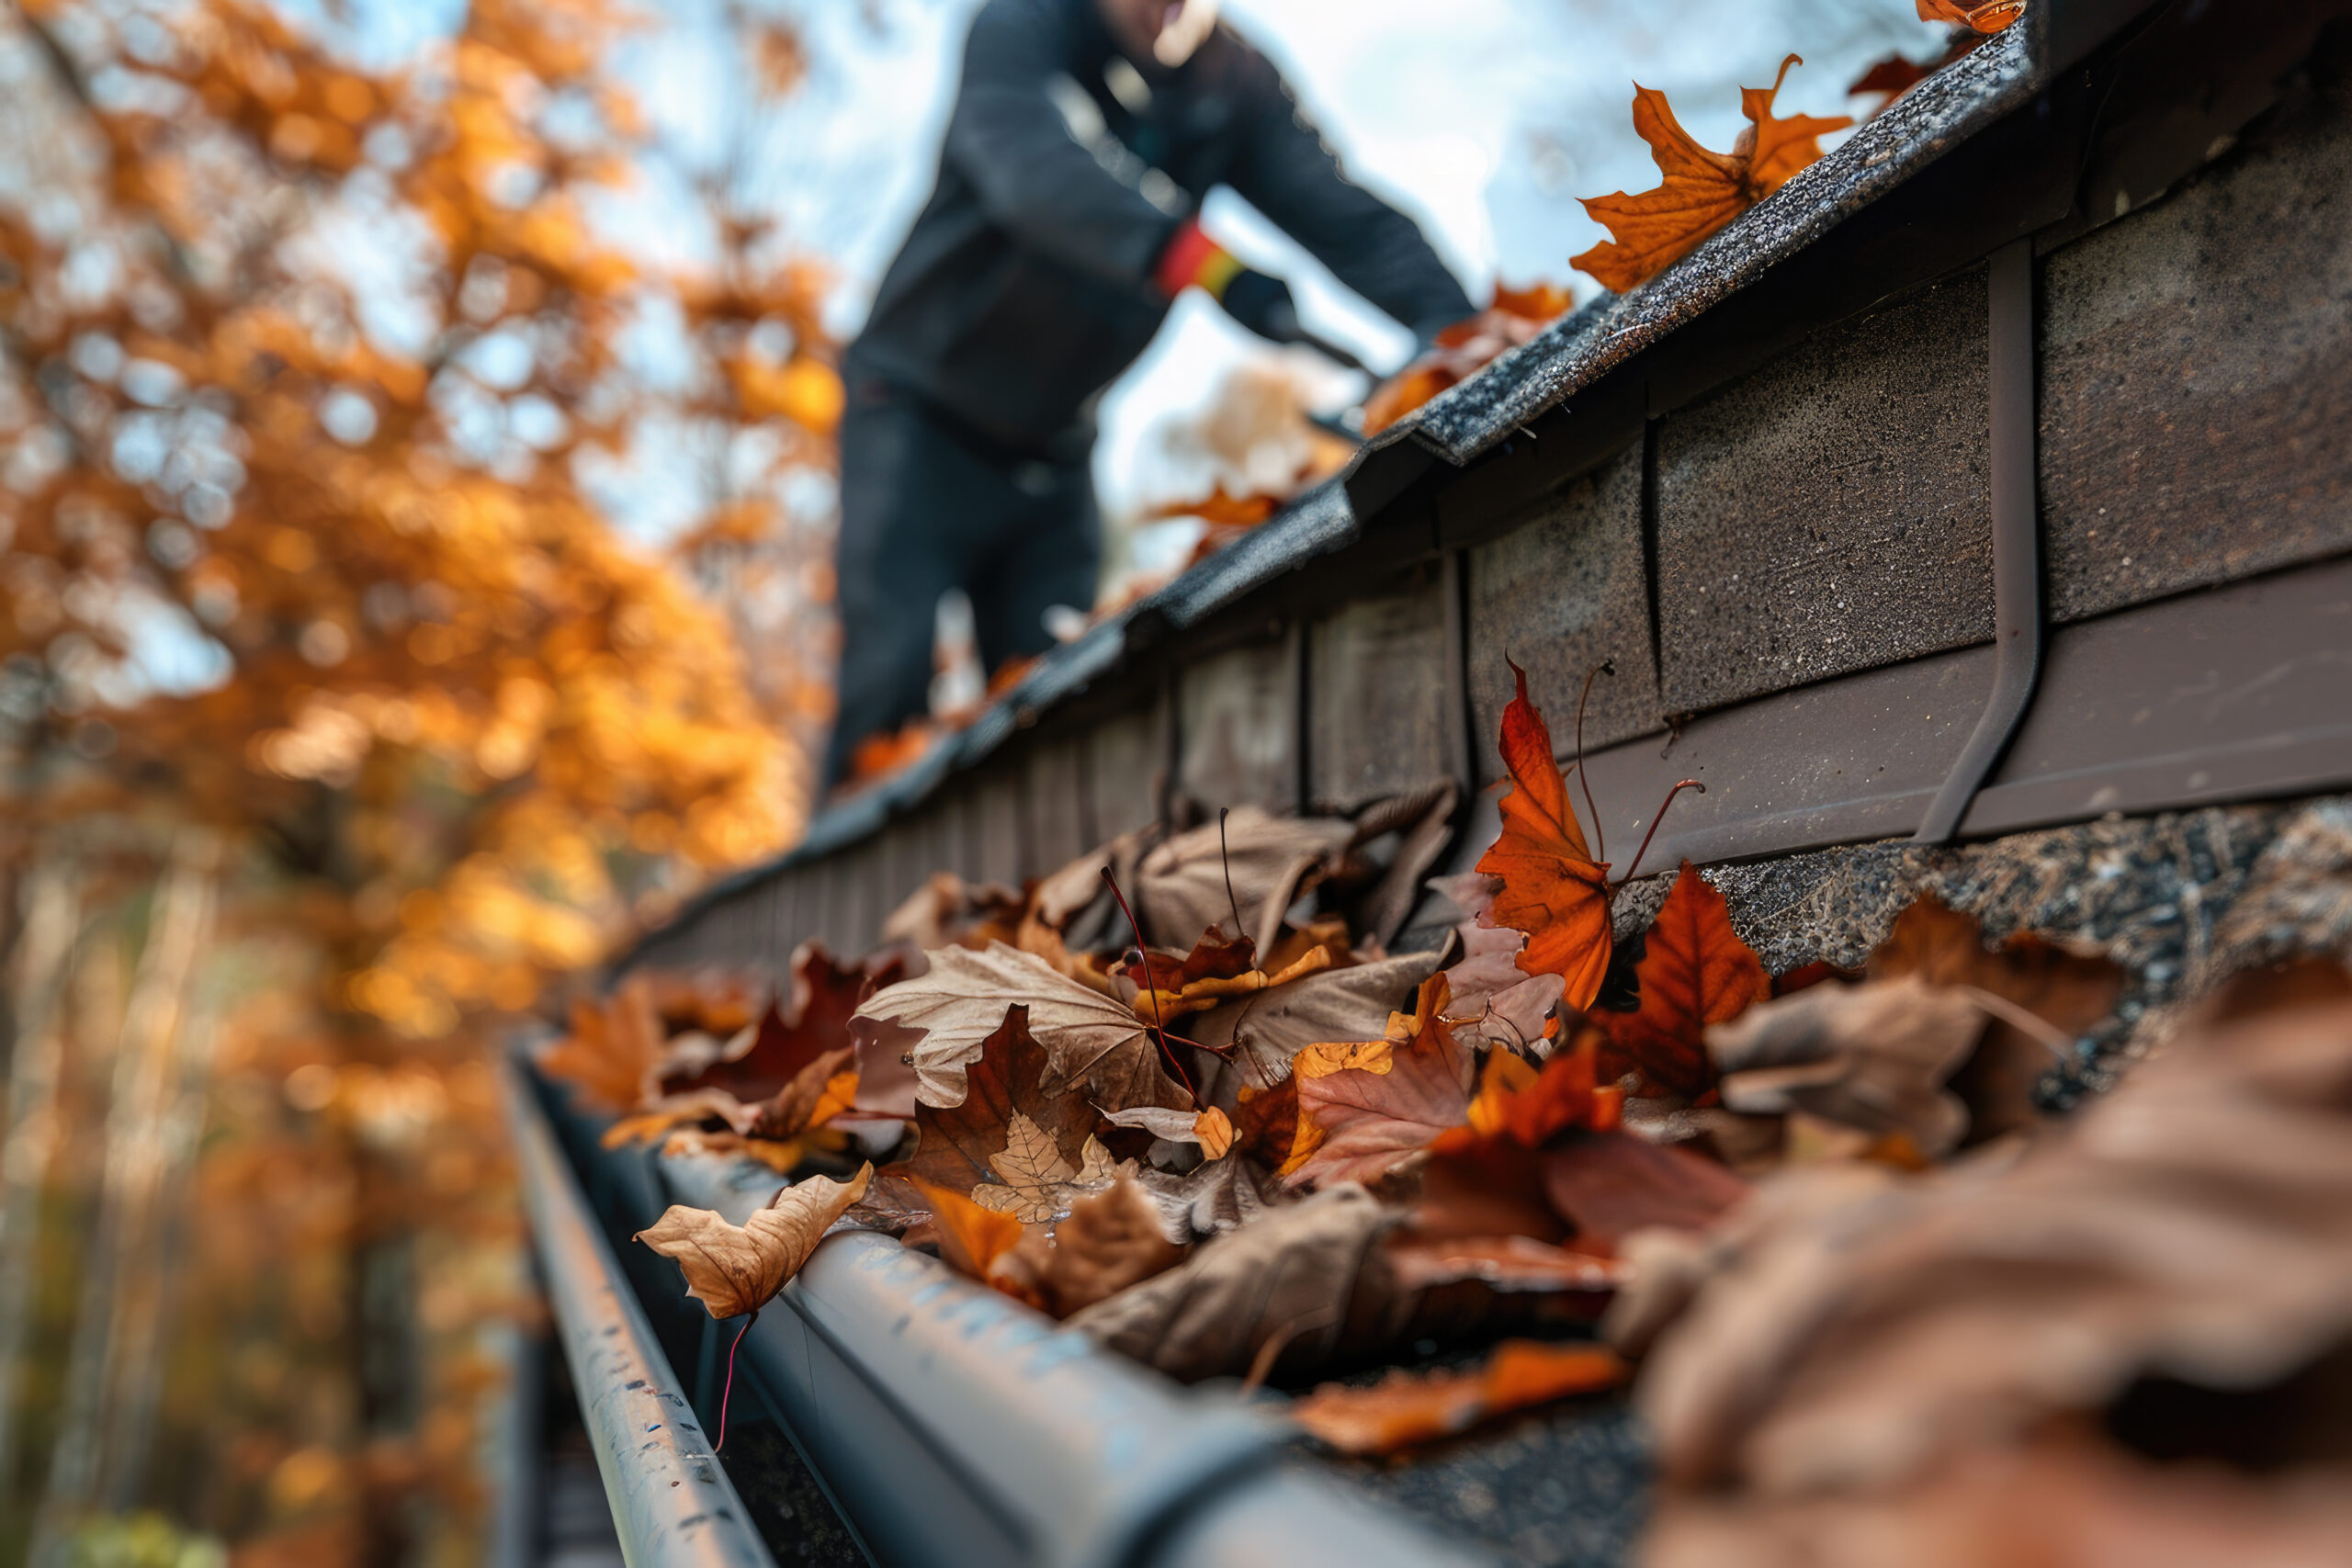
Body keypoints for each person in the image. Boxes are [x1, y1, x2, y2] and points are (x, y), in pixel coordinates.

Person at [824, 0, 1474, 786]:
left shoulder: (1233, 85)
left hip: (1055, 451)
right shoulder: (1022, 28)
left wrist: (1463, 335)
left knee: (1054, 705)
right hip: (914, 415)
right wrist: (1199, 260)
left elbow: (1350, 219)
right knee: (887, 688)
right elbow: (1032, 167)